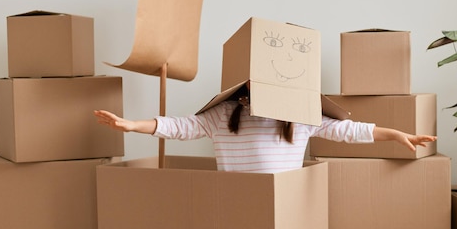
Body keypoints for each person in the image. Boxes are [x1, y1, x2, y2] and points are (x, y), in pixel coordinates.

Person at [94, 86, 436, 173]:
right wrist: (132, 125)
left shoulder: (300, 118)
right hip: (236, 204)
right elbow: (180, 126)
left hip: (281, 206)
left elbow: (348, 130)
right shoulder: (225, 113)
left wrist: (395, 134)